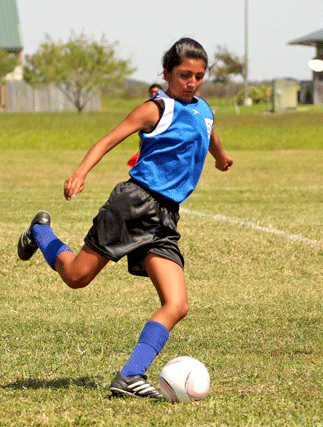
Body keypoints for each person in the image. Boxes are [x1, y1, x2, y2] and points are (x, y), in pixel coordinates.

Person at [16, 38, 233, 399]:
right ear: (167, 73)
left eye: (198, 76)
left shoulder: (204, 109)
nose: (191, 82)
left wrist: (221, 156)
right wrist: (80, 173)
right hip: (134, 205)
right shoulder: (155, 109)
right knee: (76, 276)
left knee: (177, 304)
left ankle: (130, 376)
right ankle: (40, 231)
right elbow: (108, 140)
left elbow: (208, 132)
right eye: (183, 75)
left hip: (165, 218)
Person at [127, 83, 163, 167]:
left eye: (156, 92)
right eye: (152, 92)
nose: (154, 94)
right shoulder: (146, 106)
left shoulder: (167, 106)